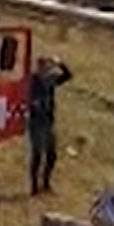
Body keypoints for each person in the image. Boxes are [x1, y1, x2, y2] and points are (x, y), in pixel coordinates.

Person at [27, 56, 73, 196]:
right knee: (37, 154)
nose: (45, 70)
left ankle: (46, 183)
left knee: (51, 154)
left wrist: (60, 63)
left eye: (47, 67)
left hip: (48, 121)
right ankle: (34, 186)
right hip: (36, 122)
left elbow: (68, 76)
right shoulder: (31, 81)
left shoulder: (49, 80)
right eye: (43, 67)